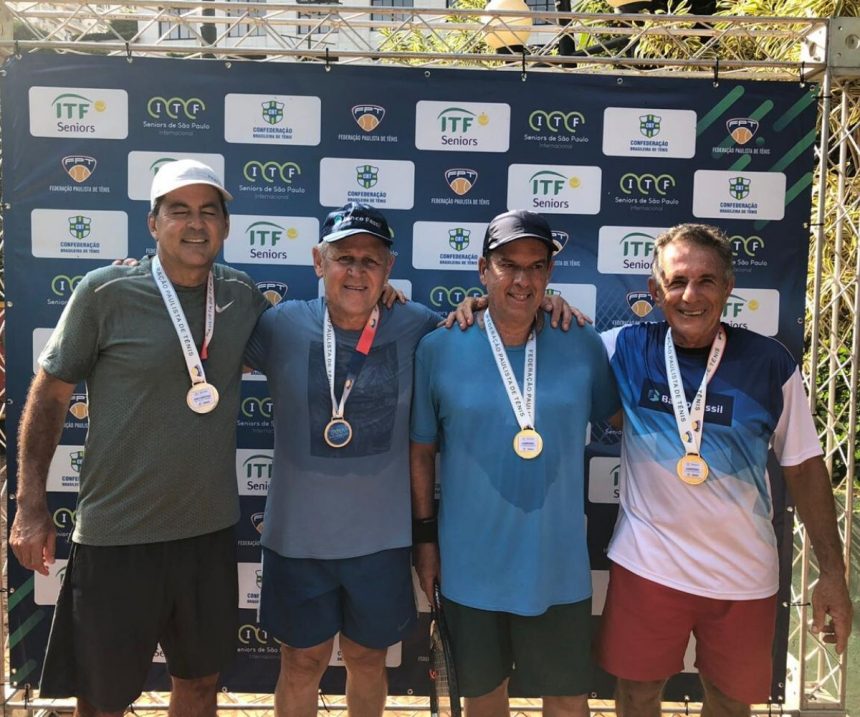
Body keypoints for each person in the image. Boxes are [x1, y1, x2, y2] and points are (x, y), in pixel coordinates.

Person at [9, 159, 271, 717]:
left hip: (207, 536)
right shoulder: (104, 292)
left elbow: (315, 334)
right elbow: (49, 395)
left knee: (199, 687)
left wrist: (384, 303)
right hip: (116, 537)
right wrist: (30, 505)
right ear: (153, 223)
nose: (195, 224)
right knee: (102, 698)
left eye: (209, 212)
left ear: (226, 226)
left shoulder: (242, 296)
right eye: (179, 211)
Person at [594, 223, 853, 716]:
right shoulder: (622, 348)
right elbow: (537, 339)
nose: (691, 295)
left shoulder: (770, 363)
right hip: (648, 566)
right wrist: (481, 308)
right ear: (654, 291)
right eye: (676, 281)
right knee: (636, 697)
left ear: (729, 287)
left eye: (706, 281)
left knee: (732, 705)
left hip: (743, 575)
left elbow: (804, 468)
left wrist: (833, 574)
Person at [410, 209, 619, 717]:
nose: (522, 280)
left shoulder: (582, 342)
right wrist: (425, 541)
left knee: (568, 703)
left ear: (549, 274)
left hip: (557, 569)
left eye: (536, 266)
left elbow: (620, 416)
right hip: (470, 569)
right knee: (484, 702)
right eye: (509, 265)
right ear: (484, 270)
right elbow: (421, 453)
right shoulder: (439, 347)